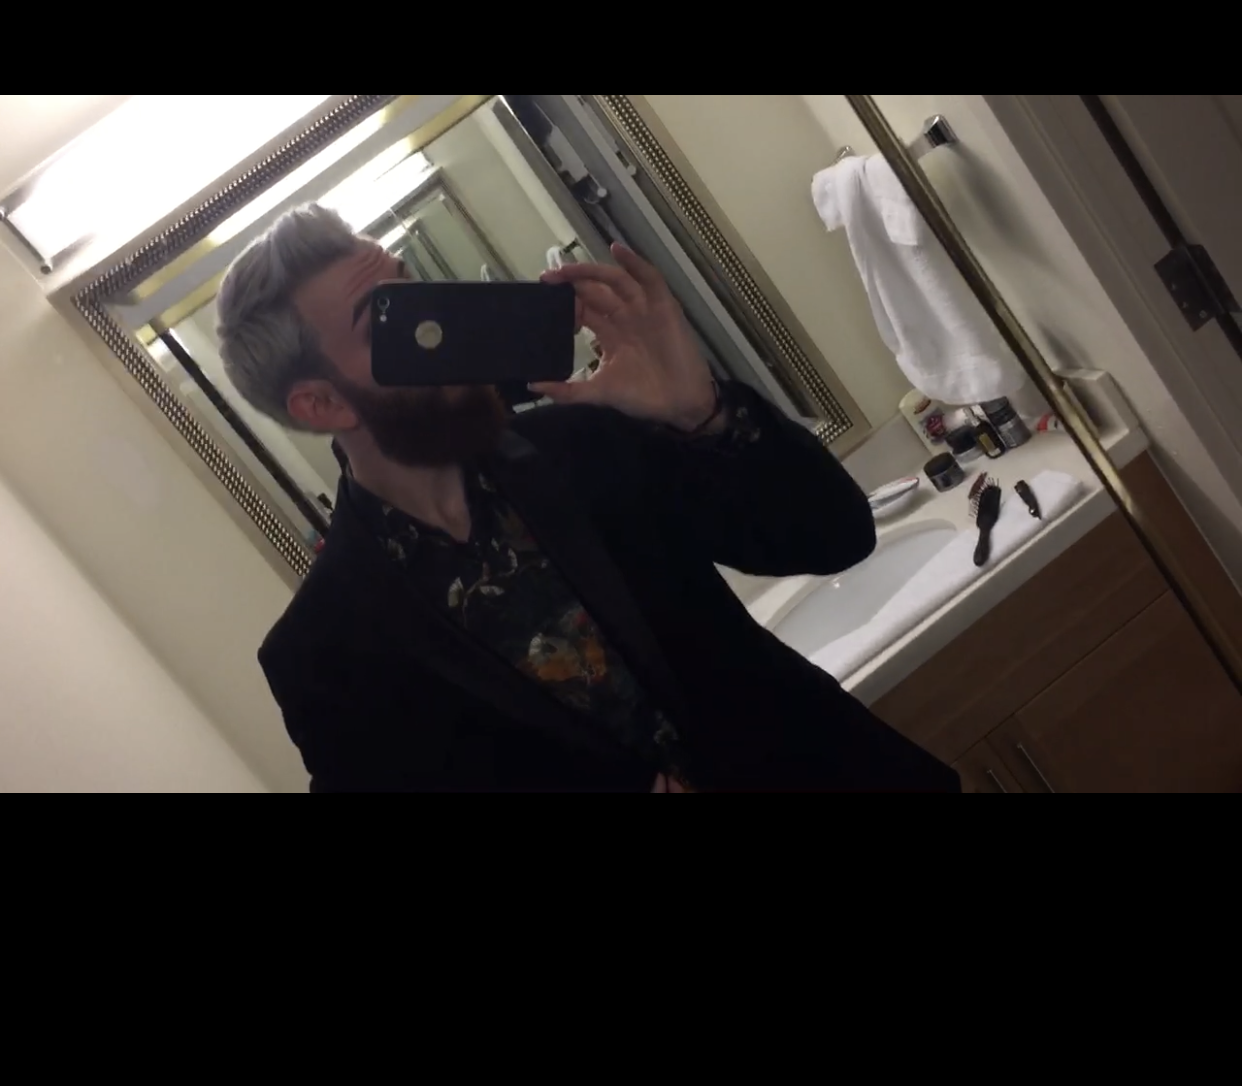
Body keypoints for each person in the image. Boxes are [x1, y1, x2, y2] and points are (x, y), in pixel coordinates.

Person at [217, 205, 958, 794]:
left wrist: (700, 411)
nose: (442, 322)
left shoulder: (582, 445)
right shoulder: (326, 655)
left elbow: (835, 536)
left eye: (417, 288)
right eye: (391, 318)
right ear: (321, 404)